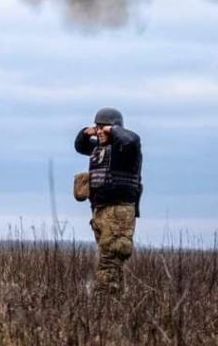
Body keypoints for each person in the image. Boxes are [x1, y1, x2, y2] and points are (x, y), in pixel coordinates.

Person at [74, 107, 142, 296]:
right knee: (109, 259)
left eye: (104, 128)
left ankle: (104, 302)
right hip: (100, 211)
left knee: (110, 258)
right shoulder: (100, 149)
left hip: (119, 211)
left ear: (115, 128)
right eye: (97, 127)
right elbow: (80, 146)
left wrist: (112, 129)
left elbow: (131, 139)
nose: (100, 132)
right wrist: (86, 132)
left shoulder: (127, 150)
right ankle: (115, 303)